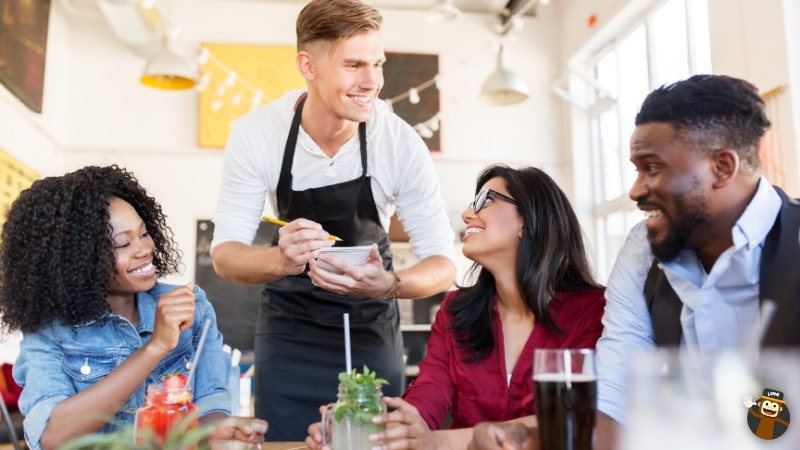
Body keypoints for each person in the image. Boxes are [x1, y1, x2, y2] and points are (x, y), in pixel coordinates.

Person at [470, 74, 800, 449]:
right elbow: (613, 399)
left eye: (653, 168)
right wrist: (527, 437)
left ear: (722, 167)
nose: (636, 190)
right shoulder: (643, 251)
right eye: (636, 169)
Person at [209, 0, 456, 441]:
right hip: (290, 330)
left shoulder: (398, 143)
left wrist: (390, 285)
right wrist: (281, 261)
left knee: (370, 441)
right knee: (285, 439)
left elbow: (443, 264)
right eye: (355, 64)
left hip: (369, 326)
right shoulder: (258, 134)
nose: (372, 82)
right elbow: (225, 256)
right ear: (308, 65)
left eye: (378, 64)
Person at [305, 164, 606, 449]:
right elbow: (426, 398)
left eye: (486, 201)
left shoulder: (596, 311)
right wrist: (366, 430)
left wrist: (437, 443)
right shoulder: (455, 311)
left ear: (528, 220)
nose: (466, 214)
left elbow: (582, 417)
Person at [0, 165, 267, 450]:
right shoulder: (49, 331)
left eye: (143, 233)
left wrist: (217, 433)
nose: (144, 249)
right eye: (123, 243)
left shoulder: (192, 305)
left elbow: (210, 403)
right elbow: (53, 438)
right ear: (75, 261)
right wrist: (155, 347)